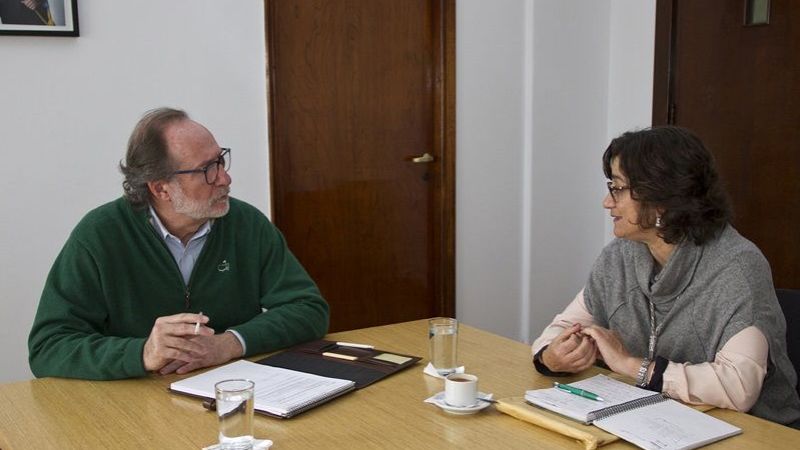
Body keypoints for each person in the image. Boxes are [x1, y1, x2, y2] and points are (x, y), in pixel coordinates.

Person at [28, 107, 330, 380]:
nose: (225, 178)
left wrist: (229, 343)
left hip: (229, 393)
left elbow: (308, 309)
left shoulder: (246, 224)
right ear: (161, 188)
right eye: (207, 170)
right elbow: (48, 346)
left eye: (220, 161)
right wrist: (143, 354)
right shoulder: (100, 235)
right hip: (131, 408)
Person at [531, 126, 800, 427]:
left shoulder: (738, 267)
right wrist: (552, 357)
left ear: (661, 198)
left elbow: (739, 387)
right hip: (657, 421)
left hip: (754, 432)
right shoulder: (619, 256)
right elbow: (563, 327)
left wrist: (632, 366)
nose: (607, 202)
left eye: (617, 188)